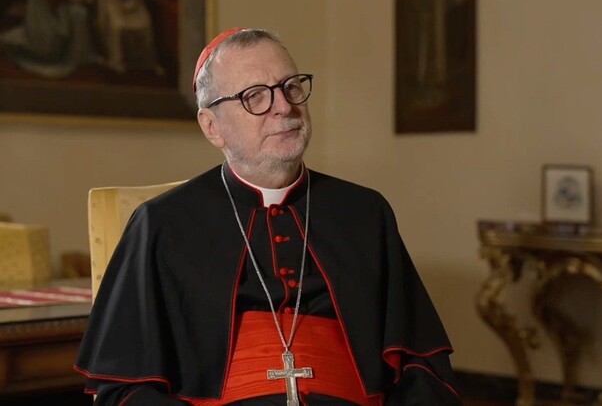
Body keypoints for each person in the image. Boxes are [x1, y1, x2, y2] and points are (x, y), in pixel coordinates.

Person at [75, 27, 461, 405]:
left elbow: (422, 365)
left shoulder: (365, 211)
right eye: (254, 96)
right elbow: (123, 390)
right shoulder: (161, 224)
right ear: (212, 127)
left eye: (290, 87)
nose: (284, 106)